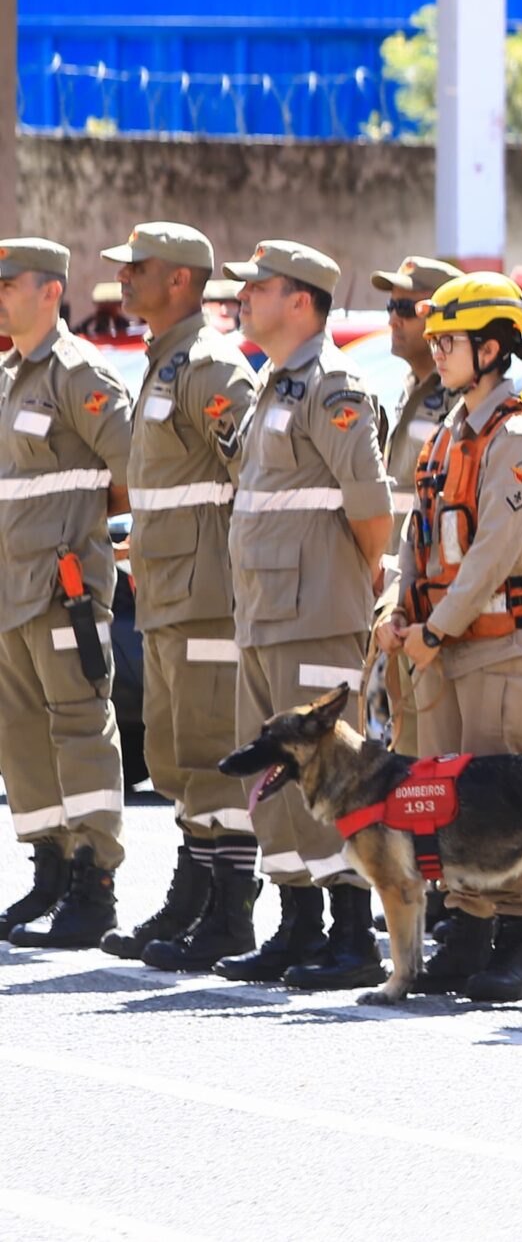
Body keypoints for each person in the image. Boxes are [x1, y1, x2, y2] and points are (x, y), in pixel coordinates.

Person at [375, 272, 522, 1003]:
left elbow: (494, 551)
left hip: (500, 646)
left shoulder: (517, 437)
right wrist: (396, 609)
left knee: (509, 800)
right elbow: (416, 538)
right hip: (442, 645)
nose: (437, 351)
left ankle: (518, 946)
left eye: (449, 340)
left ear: (491, 348)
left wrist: (434, 627)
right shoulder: (448, 433)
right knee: (445, 800)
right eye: (435, 340)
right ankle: (465, 933)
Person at [213, 240, 396, 989]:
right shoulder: (272, 382)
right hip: (263, 613)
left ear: (300, 301)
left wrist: (350, 583)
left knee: (332, 774)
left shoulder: (332, 387)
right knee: (273, 779)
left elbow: (371, 512)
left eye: (258, 287)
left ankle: (353, 934)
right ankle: (298, 924)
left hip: (315, 611)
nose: (243, 298)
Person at [96, 226, 262, 968]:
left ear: (181, 281)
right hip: (167, 593)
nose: (124, 279)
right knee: (172, 757)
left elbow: (253, 478)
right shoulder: (163, 361)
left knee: (211, 755)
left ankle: (231, 914)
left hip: (207, 599)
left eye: (139, 268)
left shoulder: (211, 366)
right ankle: (193, 899)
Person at [0, 239, 133, 949]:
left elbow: (136, 468)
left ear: (50, 291)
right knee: (21, 735)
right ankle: (49, 868)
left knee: (80, 729)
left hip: (64, 590)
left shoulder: (79, 374)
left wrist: (77, 528)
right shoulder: (8, 378)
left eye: (8, 284)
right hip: (9, 592)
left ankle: (93, 881)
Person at [370, 255, 462, 758]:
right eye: (390, 307)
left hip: (430, 602)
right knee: (400, 753)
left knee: (430, 758)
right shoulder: (408, 391)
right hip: (396, 598)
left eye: (406, 308)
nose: (394, 318)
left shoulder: (457, 399)